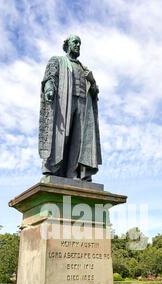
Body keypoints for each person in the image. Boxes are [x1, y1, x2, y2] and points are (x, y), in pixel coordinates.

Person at [39, 35, 102, 181]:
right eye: (75, 42)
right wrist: (49, 89)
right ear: (67, 44)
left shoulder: (83, 68)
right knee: (61, 136)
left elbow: (94, 92)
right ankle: (53, 169)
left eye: (80, 43)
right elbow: (50, 77)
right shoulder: (58, 60)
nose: (78, 45)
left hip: (83, 105)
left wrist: (92, 81)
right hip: (64, 102)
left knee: (79, 140)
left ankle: (74, 173)